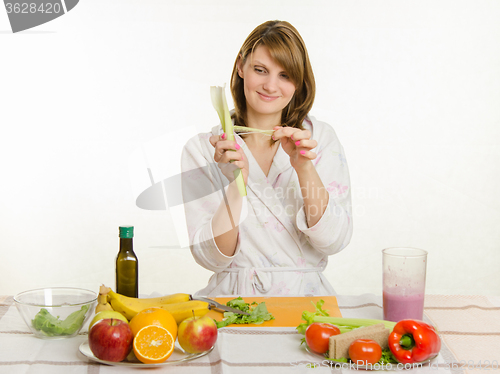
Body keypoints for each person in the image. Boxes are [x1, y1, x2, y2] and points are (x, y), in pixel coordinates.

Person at [181, 20, 352, 296]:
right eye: (260, 70)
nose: (271, 86)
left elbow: (334, 241)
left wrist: (304, 167)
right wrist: (237, 185)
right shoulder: (203, 149)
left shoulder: (319, 138)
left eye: (285, 75)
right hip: (232, 302)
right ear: (241, 66)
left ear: (299, 82)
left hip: (306, 302)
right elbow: (210, 257)